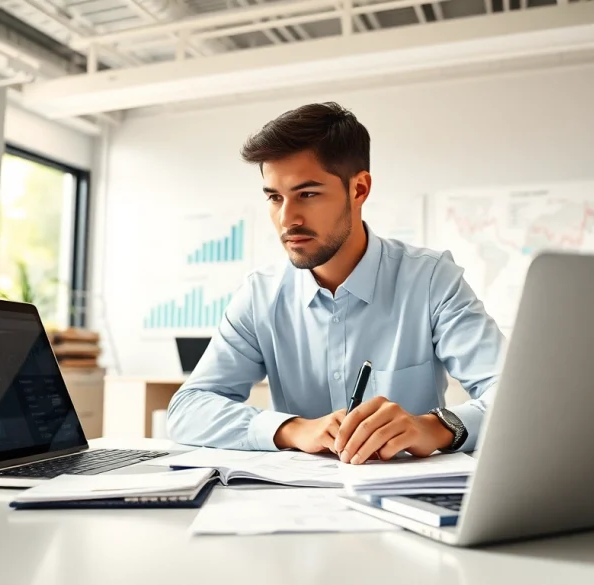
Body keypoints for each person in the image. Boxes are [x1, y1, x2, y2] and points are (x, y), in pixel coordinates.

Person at [166, 102, 504, 464]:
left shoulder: (431, 279)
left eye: (307, 194)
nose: (286, 219)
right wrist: (292, 429)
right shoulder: (259, 296)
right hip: (291, 504)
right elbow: (188, 409)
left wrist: (436, 427)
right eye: (275, 197)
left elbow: (514, 395)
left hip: (402, 500)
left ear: (359, 189)